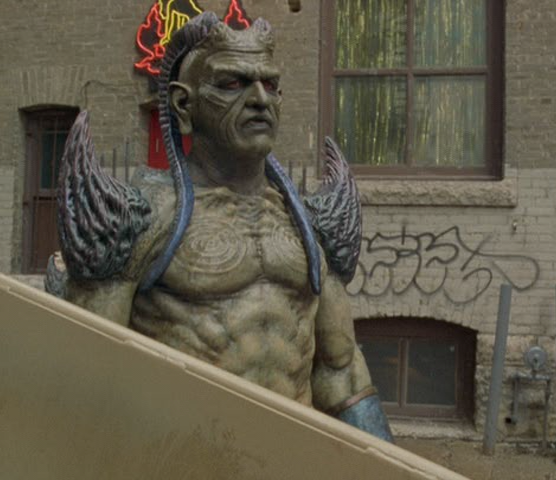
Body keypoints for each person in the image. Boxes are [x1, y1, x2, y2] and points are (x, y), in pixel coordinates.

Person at [48, 12, 393, 442]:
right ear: (183, 105)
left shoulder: (308, 223)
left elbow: (340, 371)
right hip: (178, 457)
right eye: (232, 83)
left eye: (270, 84)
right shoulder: (141, 218)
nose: (260, 99)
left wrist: (388, 464)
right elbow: (87, 377)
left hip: (286, 458)